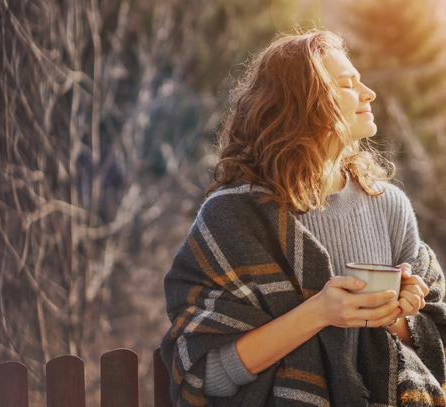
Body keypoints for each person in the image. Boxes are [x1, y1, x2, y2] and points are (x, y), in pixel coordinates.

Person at [161, 29, 446, 406]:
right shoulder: (234, 217)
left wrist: (396, 314)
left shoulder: (389, 205)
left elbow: (435, 341)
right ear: (303, 103)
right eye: (347, 84)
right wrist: (319, 312)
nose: (369, 93)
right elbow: (206, 373)